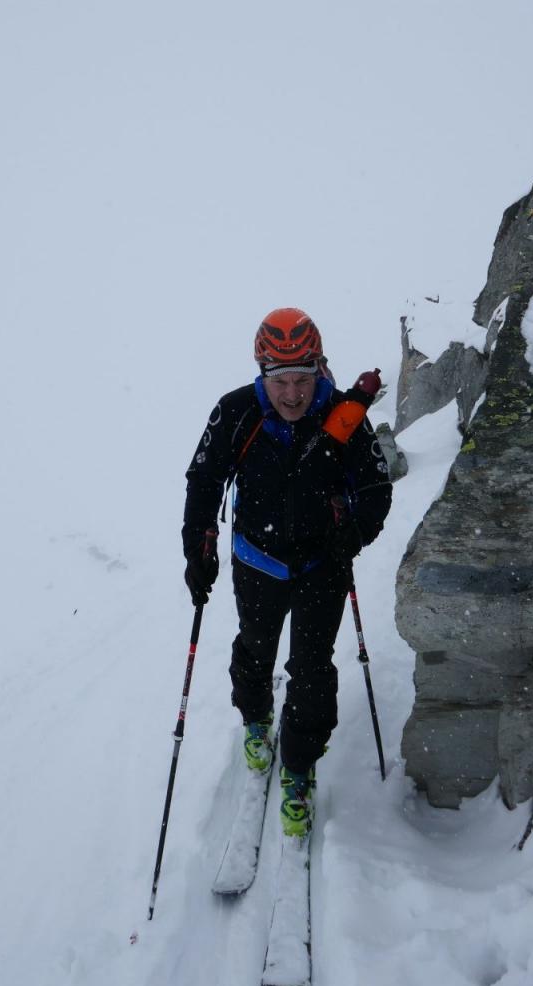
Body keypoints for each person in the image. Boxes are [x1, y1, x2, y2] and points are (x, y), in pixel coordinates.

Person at [182, 307, 392, 838]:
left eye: (302, 379)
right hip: (257, 559)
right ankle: (256, 717)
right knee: (255, 645)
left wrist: (357, 533)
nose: (293, 393)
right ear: (263, 374)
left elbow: (375, 488)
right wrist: (197, 547)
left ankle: (297, 768)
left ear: (319, 368)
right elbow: (203, 481)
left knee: (312, 669)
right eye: (281, 381)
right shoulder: (235, 413)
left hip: (324, 563)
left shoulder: (344, 417)